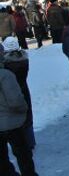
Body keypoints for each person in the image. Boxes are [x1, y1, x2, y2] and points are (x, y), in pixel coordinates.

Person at [0, 44, 37, 176]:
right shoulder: (5, 75)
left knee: (2, 160)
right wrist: (23, 109)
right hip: (12, 123)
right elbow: (15, 100)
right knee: (23, 155)